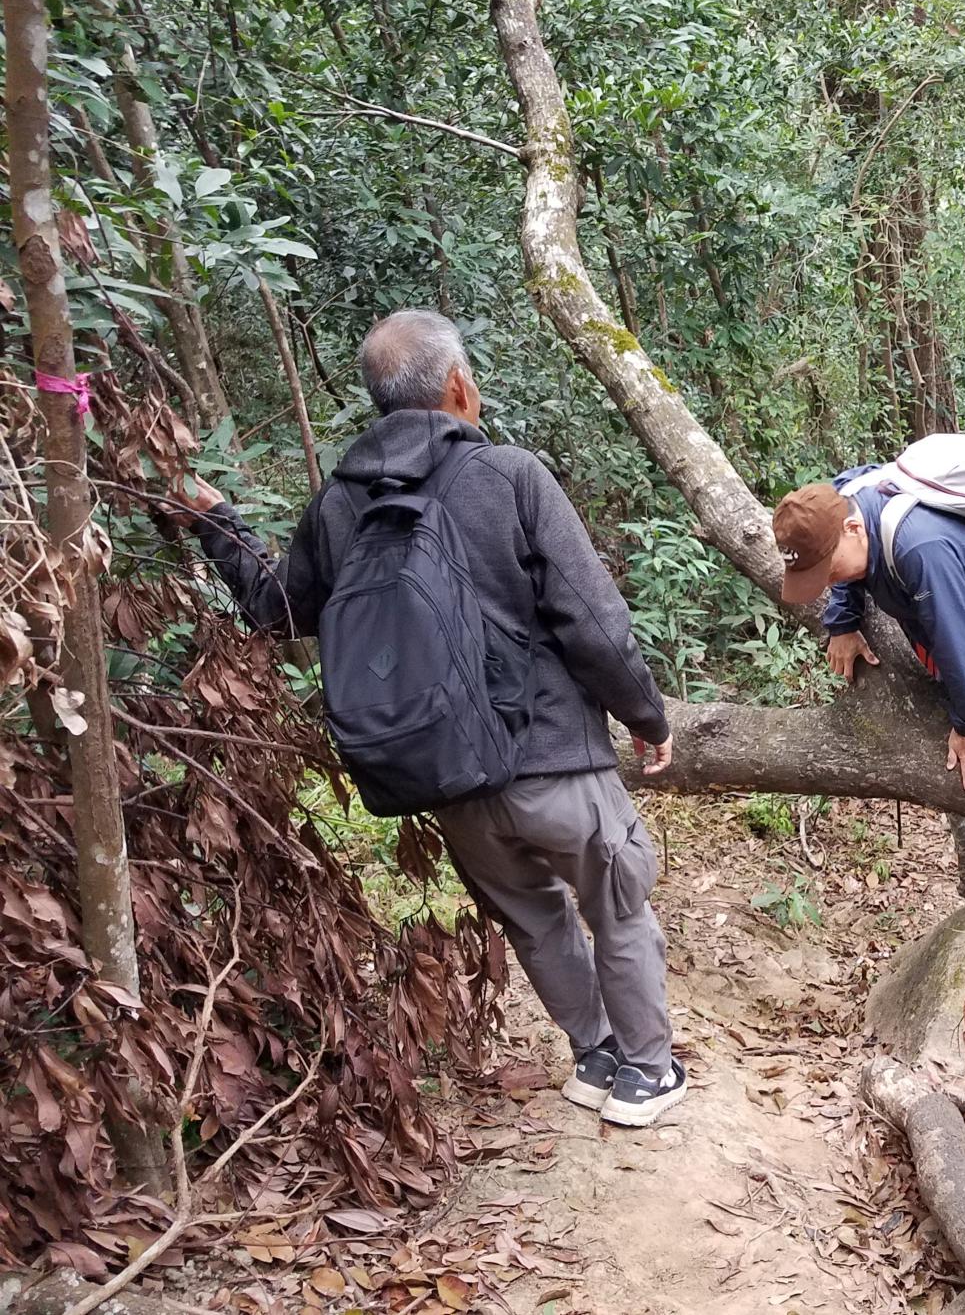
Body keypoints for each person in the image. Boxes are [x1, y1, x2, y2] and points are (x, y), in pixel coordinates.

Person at [176, 309, 688, 1127]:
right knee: (617, 908)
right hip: (555, 759)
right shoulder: (509, 476)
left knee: (534, 918)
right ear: (458, 386)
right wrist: (646, 716)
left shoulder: (340, 505)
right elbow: (593, 622)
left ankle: (595, 1056)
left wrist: (215, 522)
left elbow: (278, 610)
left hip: (445, 776)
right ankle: (647, 1075)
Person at [771, 474, 965, 940]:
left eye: (827, 570)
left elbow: (955, 640)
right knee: (955, 730)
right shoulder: (843, 506)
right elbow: (842, 560)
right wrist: (842, 621)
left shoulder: (919, 545)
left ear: (853, 530)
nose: (827, 581)